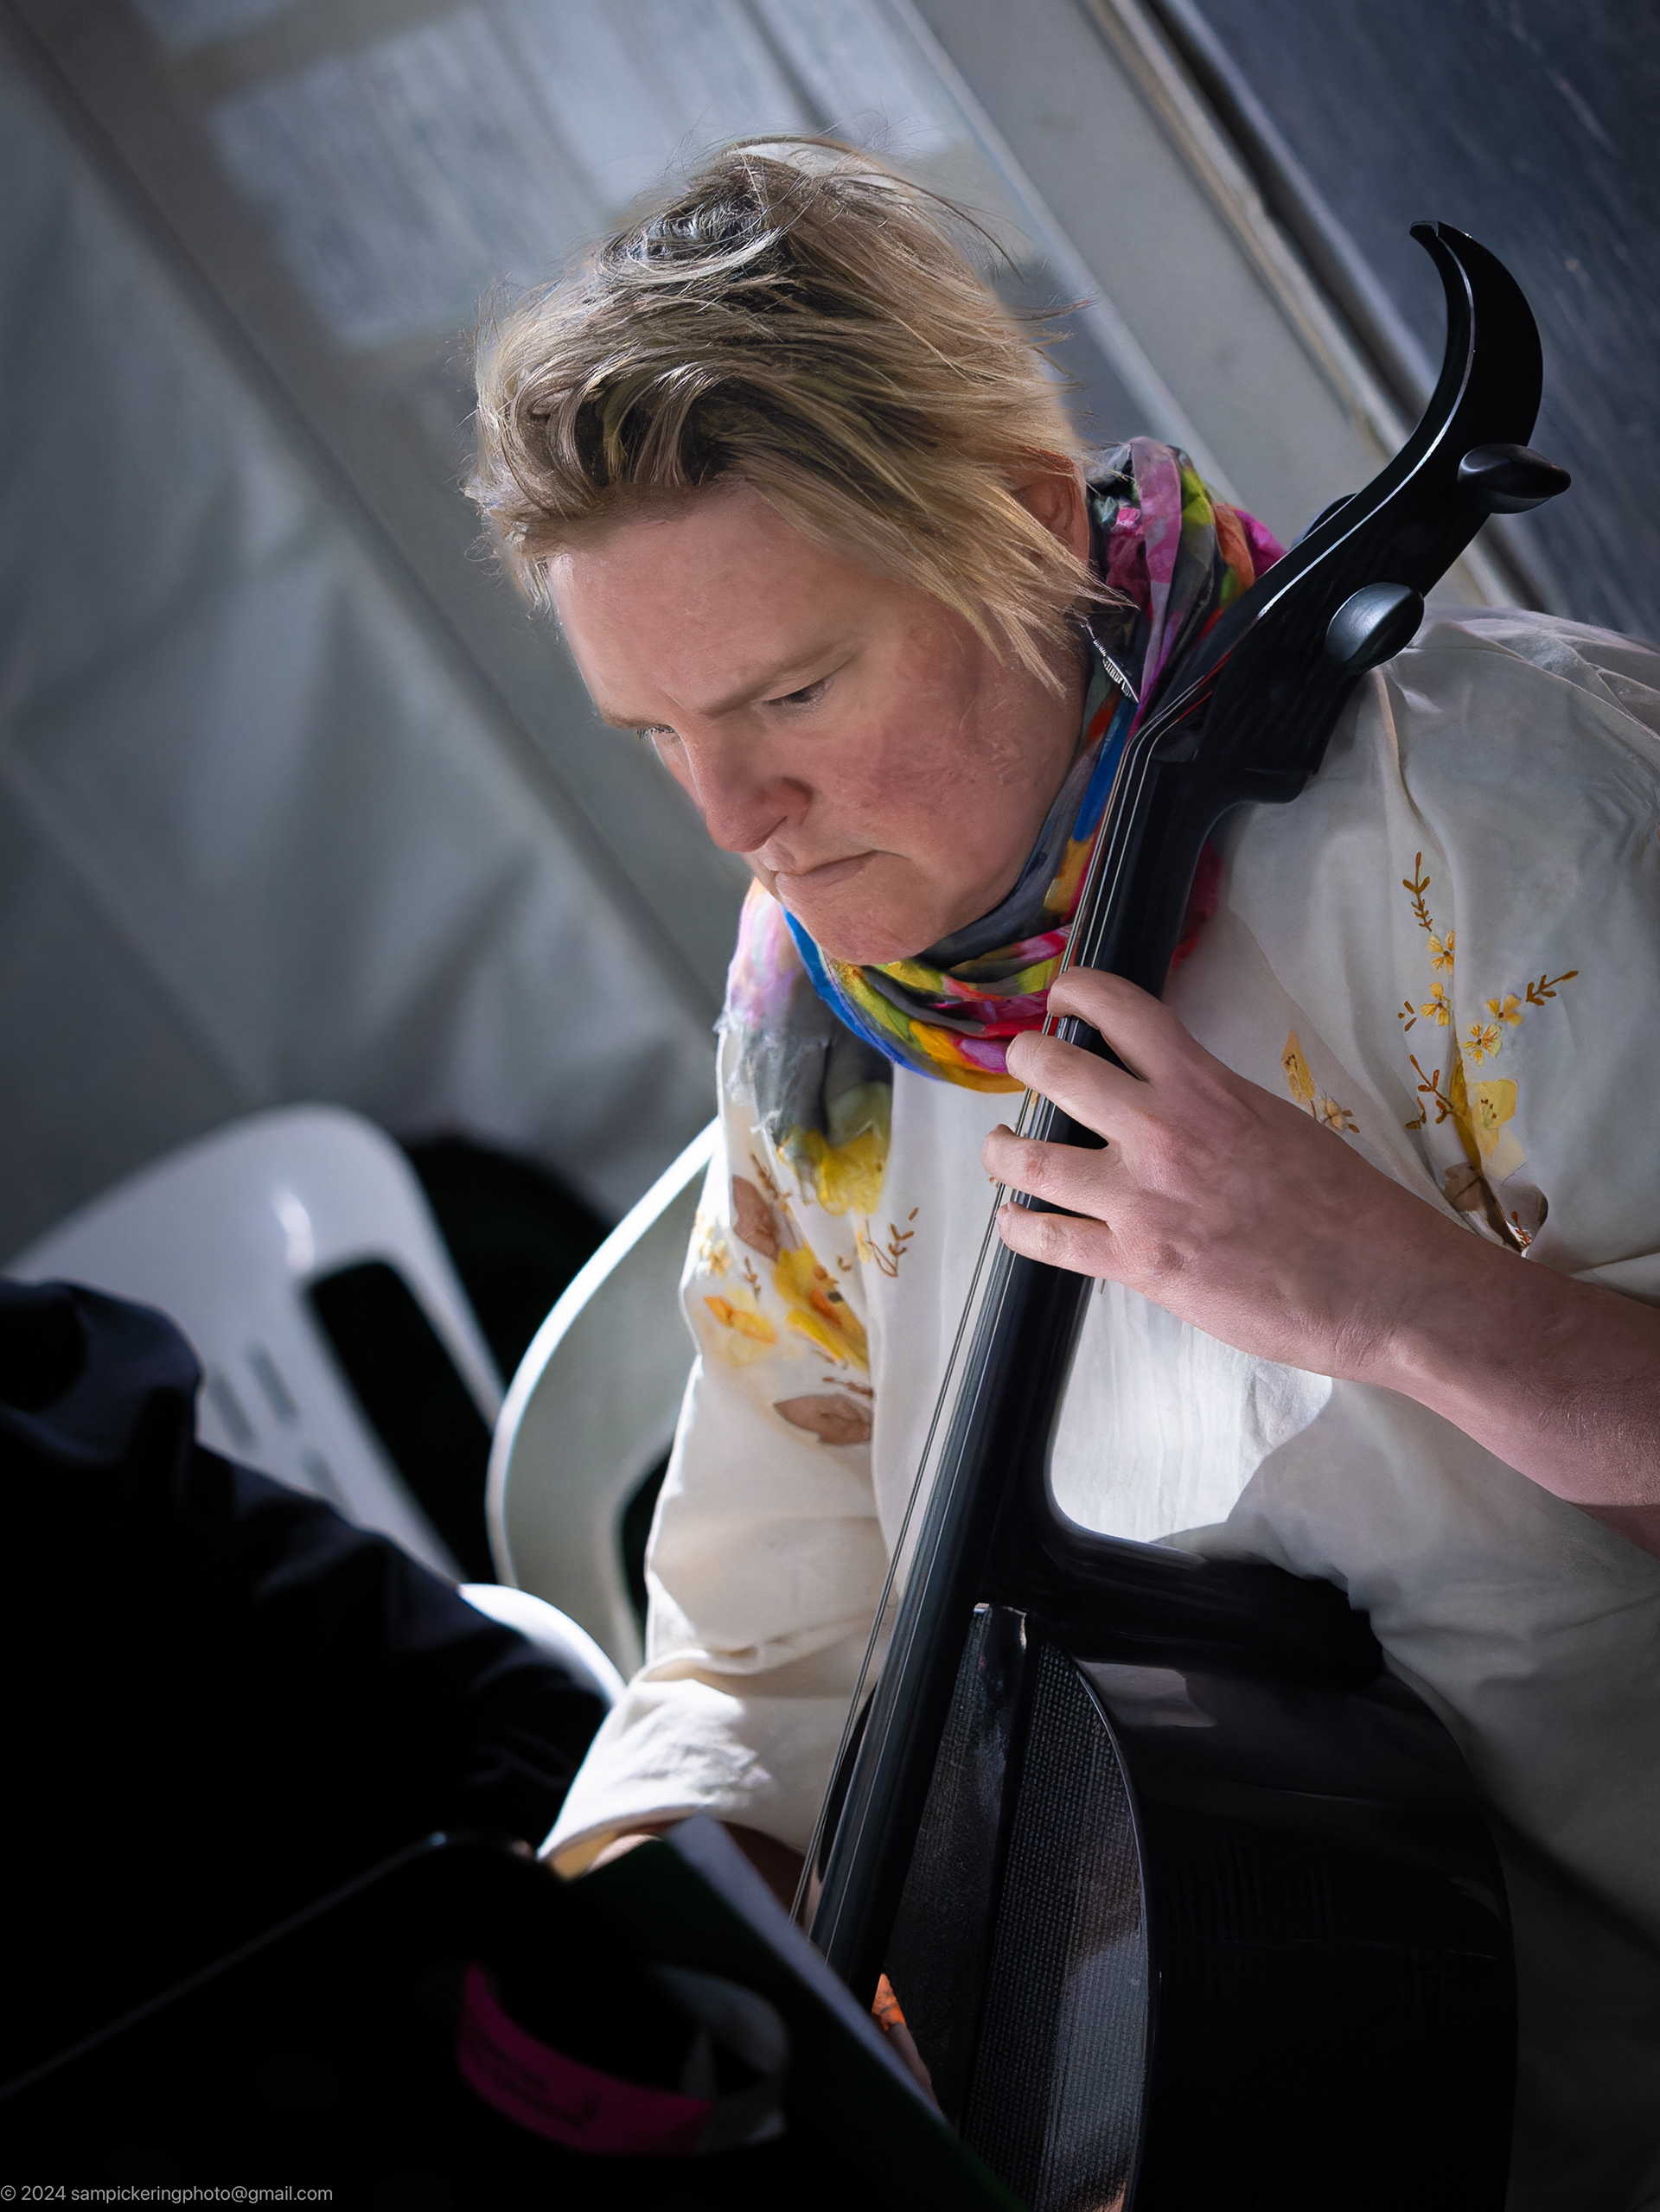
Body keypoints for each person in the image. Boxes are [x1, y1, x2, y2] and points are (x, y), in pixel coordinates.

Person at [469, 142, 1660, 2205]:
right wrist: (683, 1948)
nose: (736, 812)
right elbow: (766, 1613)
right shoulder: (816, 1014)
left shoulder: (1499, 829)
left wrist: (1402, 1298)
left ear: (1020, 533)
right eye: (655, 732)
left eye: (792, 690)